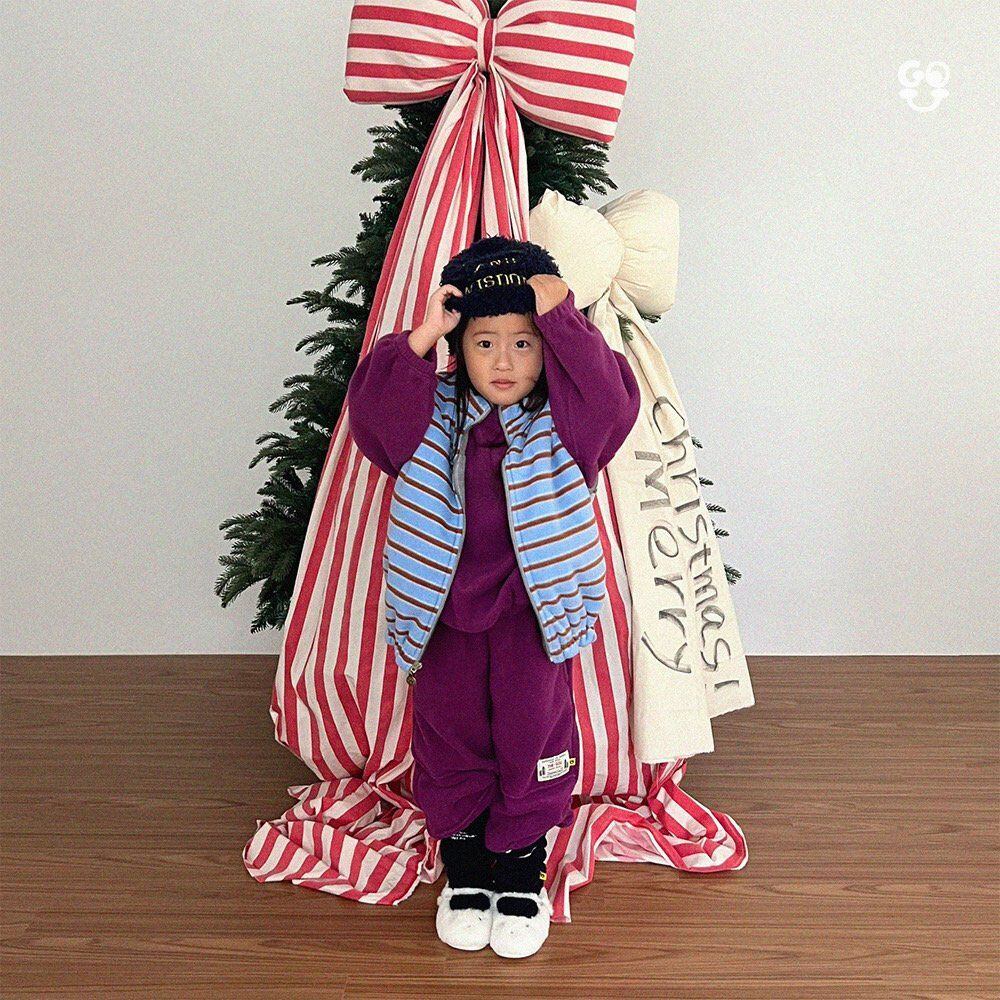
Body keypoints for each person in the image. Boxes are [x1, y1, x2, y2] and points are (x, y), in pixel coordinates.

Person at [346, 235, 640, 958]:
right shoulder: (430, 414)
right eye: (484, 343)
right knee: (449, 738)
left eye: (523, 343)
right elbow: (372, 421)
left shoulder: (564, 421)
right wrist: (424, 335)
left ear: (547, 350)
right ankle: (467, 872)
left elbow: (613, 403)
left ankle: (520, 873)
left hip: (534, 621)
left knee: (532, 736)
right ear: (461, 348)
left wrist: (563, 314)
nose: (503, 362)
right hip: (443, 618)